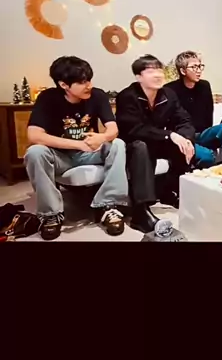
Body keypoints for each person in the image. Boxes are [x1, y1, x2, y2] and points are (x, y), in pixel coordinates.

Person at [24, 55, 128, 240]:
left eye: (89, 80)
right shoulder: (48, 98)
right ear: (64, 84)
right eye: (82, 82)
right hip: (60, 157)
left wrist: (102, 137)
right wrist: (77, 144)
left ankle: (108, 205)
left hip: (90, 153)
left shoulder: (98, 95)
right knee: (35, 152)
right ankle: (51, 214)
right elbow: (34, 135)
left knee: (118, 145)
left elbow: (113, 129)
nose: (89, 85)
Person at [115, 55, 196, 229]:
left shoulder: (168, 95)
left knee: (182, 143)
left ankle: (170, 192)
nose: (158, 75)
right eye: (151, 71)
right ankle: (140, 212)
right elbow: (134, 129)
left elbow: (184, 120)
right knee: (141, 146)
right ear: (139, 77)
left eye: (159, 70)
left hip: (157, 141)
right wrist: (169, 135)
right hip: (133, 145)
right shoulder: (127, 96)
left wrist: (186, 139)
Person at [167, 51, 222, 166]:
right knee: (207, 156)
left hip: (202, 134)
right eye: (194, 67)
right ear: (183, 71)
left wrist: (209, 137)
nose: (199, 70)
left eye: (200, 66)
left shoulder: (204, 86)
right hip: (184, 138)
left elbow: (208, 115)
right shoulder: (170, 90)